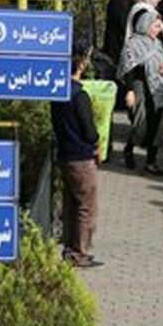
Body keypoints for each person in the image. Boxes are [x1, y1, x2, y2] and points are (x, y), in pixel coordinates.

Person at [51, 40, 101, 268]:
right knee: (86, 205)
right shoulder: (79, 96)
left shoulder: (57, 92)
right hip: (81, 156)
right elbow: (89, 131)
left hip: (64, 153)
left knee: (72, 202)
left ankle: (70, 248)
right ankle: (80, 252)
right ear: (80, 65)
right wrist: (96, 143)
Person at [120, 8, 163, 175]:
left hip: (157, 88)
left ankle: (151, 161)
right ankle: (129, 150)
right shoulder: (132, 44)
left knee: (158, 122)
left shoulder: (157, 44)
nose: (158, 31)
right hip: (140, 86)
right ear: (145, 25)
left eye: (159, 27)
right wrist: (129, 91)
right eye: (155, 27)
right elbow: (128, 69)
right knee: (141, 122)